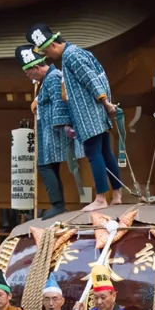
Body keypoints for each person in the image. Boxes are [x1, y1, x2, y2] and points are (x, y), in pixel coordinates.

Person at [28, 23, 122, 212]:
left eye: (46, 51)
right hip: (94, 111)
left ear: (53, 45)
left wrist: (106, 103)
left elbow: (92, 80)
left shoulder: (71, 56)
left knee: (94, 154)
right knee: (105, 152)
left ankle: (101, 198)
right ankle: (117, 195)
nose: (48, 57)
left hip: (88, 113)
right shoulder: (78, 53)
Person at [15, 44, 84, 220]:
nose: (29, 76)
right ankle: (57, 203)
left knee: (45, 166)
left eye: (29, 72)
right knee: (49, 166)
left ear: (36, 67)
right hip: (47, 129)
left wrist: (61, 125)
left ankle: (57, 204)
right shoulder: (47, 80)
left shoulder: (53, 77)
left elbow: (59, 103)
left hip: (55, 129)